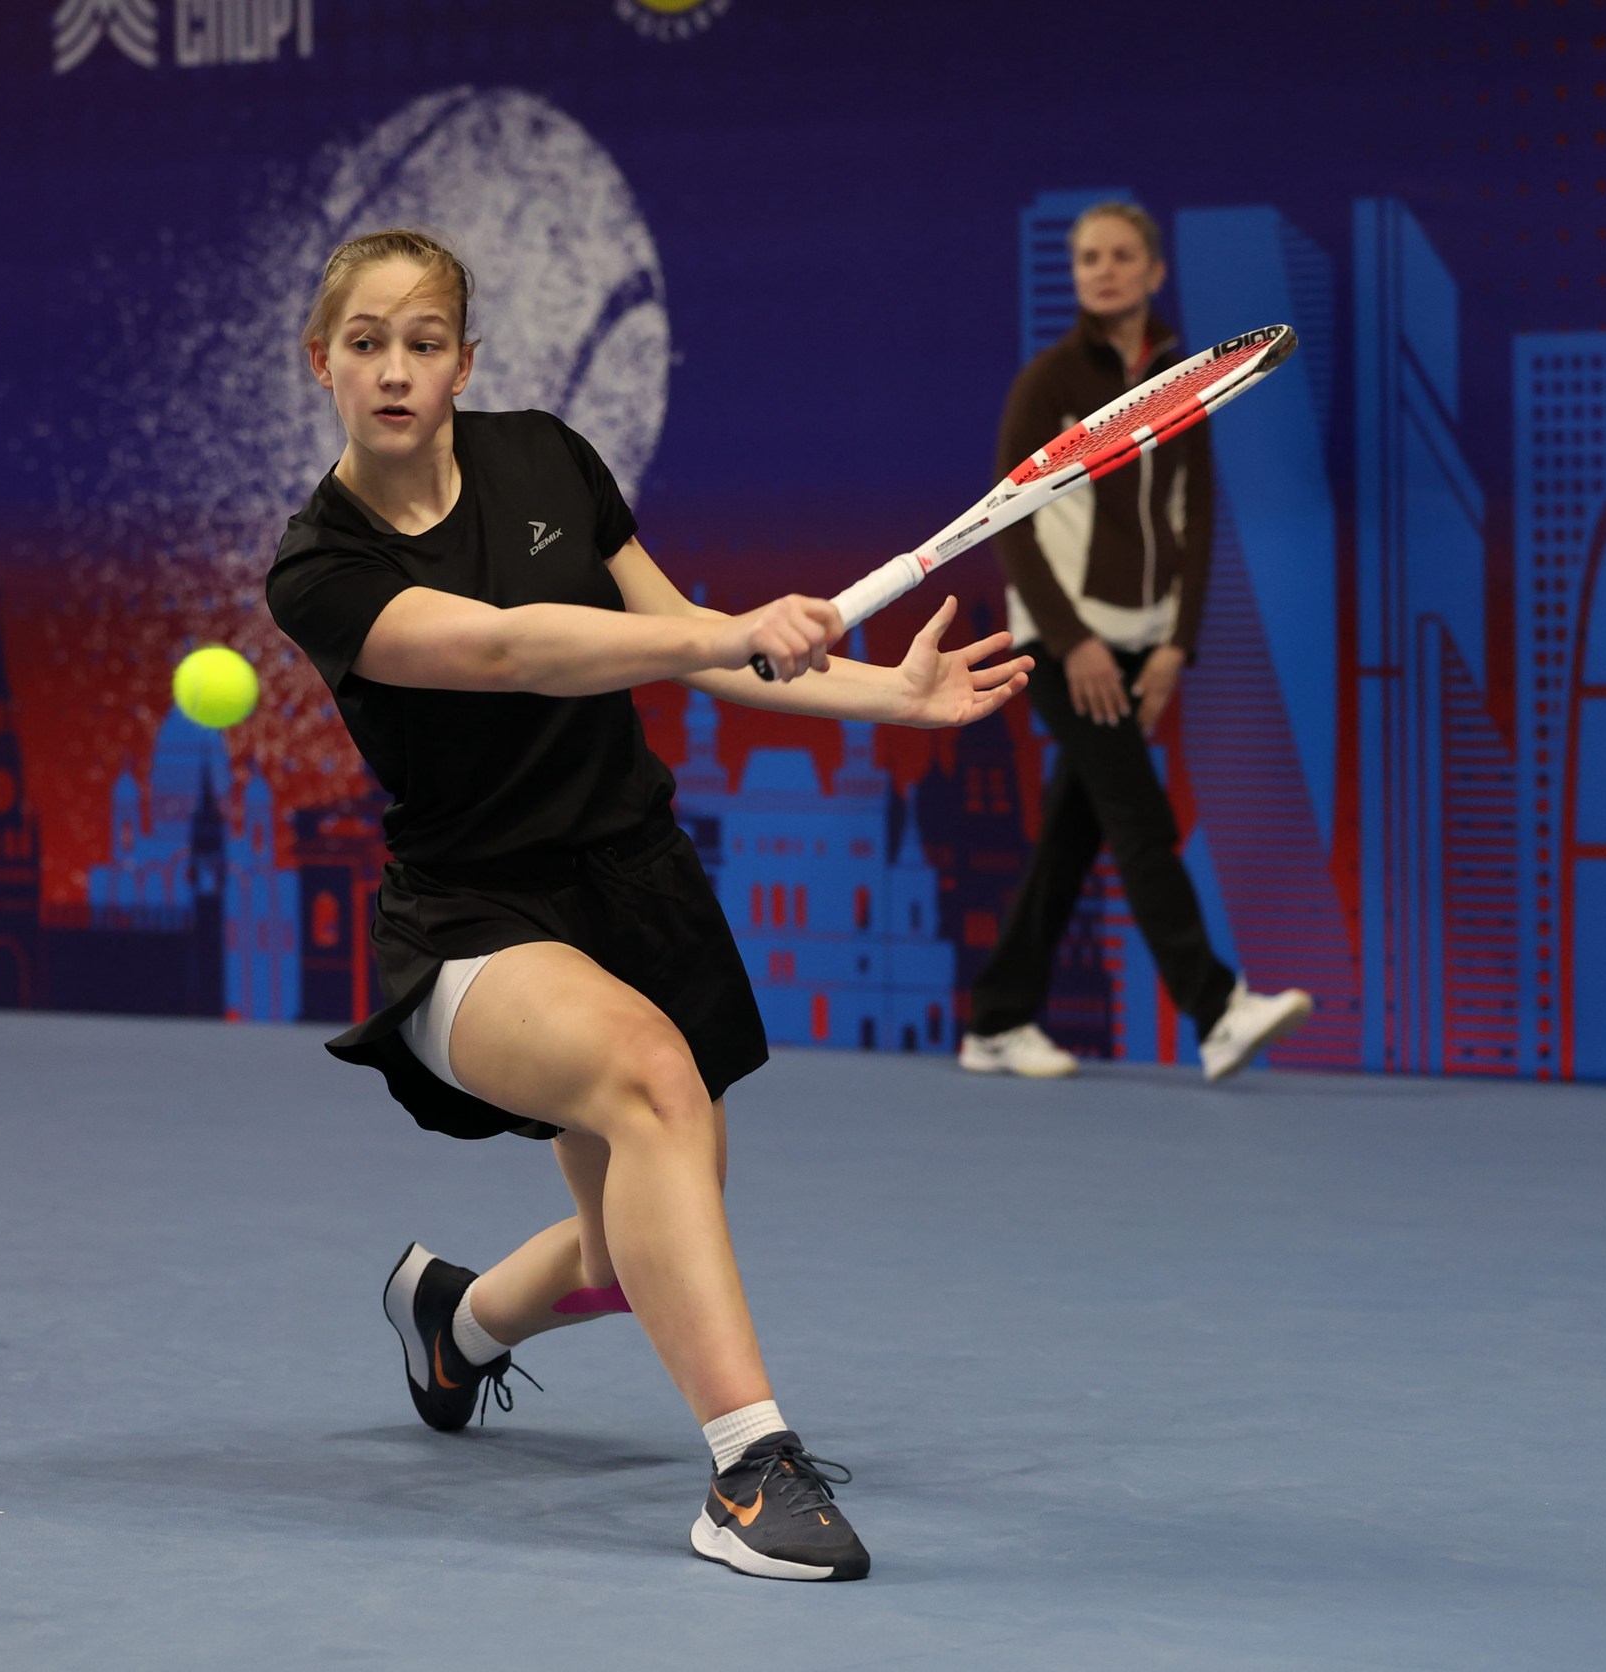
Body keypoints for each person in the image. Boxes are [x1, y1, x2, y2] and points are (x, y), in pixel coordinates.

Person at [265, 229, 1033, 1582]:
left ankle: (454, 1321)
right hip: (473, 921)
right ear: (319, 361)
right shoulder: (320, 567)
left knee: (635, 1257)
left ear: (464, 364)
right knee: (650, 1076)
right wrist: (720, 630)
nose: (394, 370)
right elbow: (508, 647)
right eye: (366, 343)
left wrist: (890, 698)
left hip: (633, 882)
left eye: (424, 343)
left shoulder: (547, 458)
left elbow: (700, 648)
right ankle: (751, 1471)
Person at [958, 201, 1312, 1083]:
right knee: (1141, 819)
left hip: (1141, 645)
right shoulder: (1047, 383)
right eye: (1088, 258)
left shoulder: (1183, 381)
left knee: (1075, 834)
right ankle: (1218, 1009)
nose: (1103, 270)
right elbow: (1007, 521)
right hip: (1063, 647)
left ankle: (996, 1018)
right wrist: (1072, 640)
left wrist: (1174, 649)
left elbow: (1195, 520)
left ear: (1154, 271)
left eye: (1121, 256)